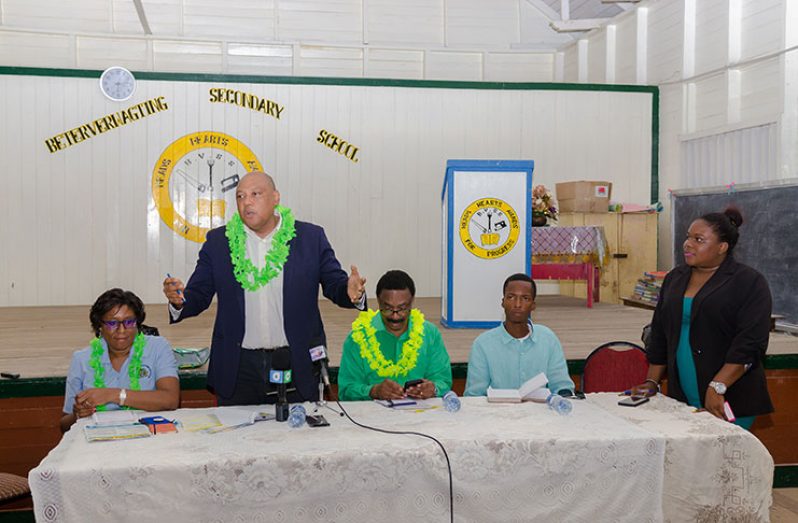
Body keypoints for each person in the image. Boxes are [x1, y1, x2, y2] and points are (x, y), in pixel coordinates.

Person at [163, 171, 366, 406]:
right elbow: (198, 294)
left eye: (255, 194)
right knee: (236, 439)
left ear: (276, 197)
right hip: (239, 367)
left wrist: (351, 291)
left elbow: (334, 284)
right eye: (240, 196)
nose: (246, 202)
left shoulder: (310, 238)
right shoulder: (219, 243)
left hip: (295, 361)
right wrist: (179, 300)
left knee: (299, 439)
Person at [632, 208, 773, 429]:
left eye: (698, 239)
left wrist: (718, 386)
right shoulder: (675, 278)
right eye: (688, 237)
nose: (687, 244)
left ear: (722, 247)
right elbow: (660, 333)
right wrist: (652, 381)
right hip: (682, 395)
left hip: (728, 396)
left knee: (723, 460)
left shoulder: (748, 282)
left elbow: (750, 343)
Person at [60, 289, 179, 431]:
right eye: (112, 323)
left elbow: (170, 399)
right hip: (99, 441)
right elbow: (64, 425)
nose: (121, 330)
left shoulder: (157, 347)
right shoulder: (82, 359)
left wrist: (114, 395)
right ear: (100, 326)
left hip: (148, 436)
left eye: (129, 322)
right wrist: (77, 414)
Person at [338, 270, 452, 401]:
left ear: (412, 301)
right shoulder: (358, 338)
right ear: (378, 302)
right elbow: (346, 391)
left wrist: (433, 388)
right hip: (372, 418)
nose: (395, 315)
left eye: (402, 308)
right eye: (388, 308)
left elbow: (443, 380)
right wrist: (373, 391)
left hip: (421, 415)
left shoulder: (430, 334)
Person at [464, 273, 574, 397]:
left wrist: (564, 396)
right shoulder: (483, 344)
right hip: (497, 414)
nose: (517, 304)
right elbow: (474, 395)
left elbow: (562, 386)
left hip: (540, 414)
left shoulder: (548, 339)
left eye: (525, 298)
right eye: (511, 297)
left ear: (533, 305)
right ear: (503, 302)